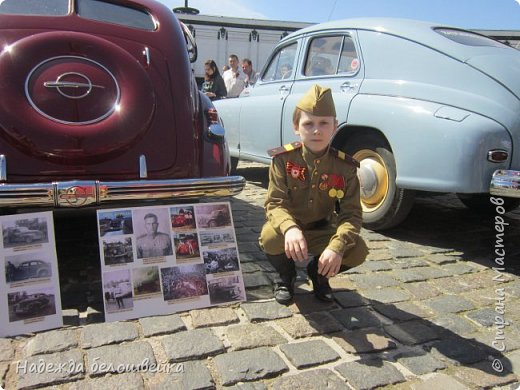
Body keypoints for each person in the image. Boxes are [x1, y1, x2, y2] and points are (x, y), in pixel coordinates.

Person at [259, 84, 368, 304]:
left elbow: (352, 215)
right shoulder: (283, 160)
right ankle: (286, 276)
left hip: (322, 230)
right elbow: (275, 203)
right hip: (290, 230)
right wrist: (289, 228)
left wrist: (336, 247)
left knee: (357, 250)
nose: (316, 130)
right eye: (308, 123)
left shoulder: (345, 167)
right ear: (296, 127)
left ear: (335, 126)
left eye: (324, 123)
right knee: (269, 237)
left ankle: (319, 273)